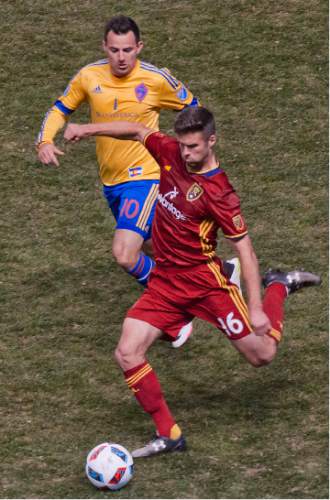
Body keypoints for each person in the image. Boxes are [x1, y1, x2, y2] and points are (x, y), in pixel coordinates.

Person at [64, 106, 321, 458]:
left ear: (211, 141)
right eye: (183, 145)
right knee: (127, 352)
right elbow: (139, 130)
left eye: (194, 147)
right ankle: (169, 434)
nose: (186, 153)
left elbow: (245, 250)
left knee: (263, 355)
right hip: (166, 283)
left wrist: (258, 306)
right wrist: (86, 128)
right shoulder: (172, 153)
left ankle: (279, 285)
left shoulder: (220, 193)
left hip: (207, 286)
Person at [36, 14, 238, 348]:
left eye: (128, 49)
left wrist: (183, 154)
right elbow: (60, 108)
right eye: (114, 49)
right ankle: (224, 274)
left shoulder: (156, 79)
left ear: (139, 47)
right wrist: (45, 140)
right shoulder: (89, 76)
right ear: (104, 46)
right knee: (156, 248)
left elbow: (195, 110)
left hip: (147, 177)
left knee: (125, 253)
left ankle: (174, 320)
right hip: (112, 183)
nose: (121, 57)